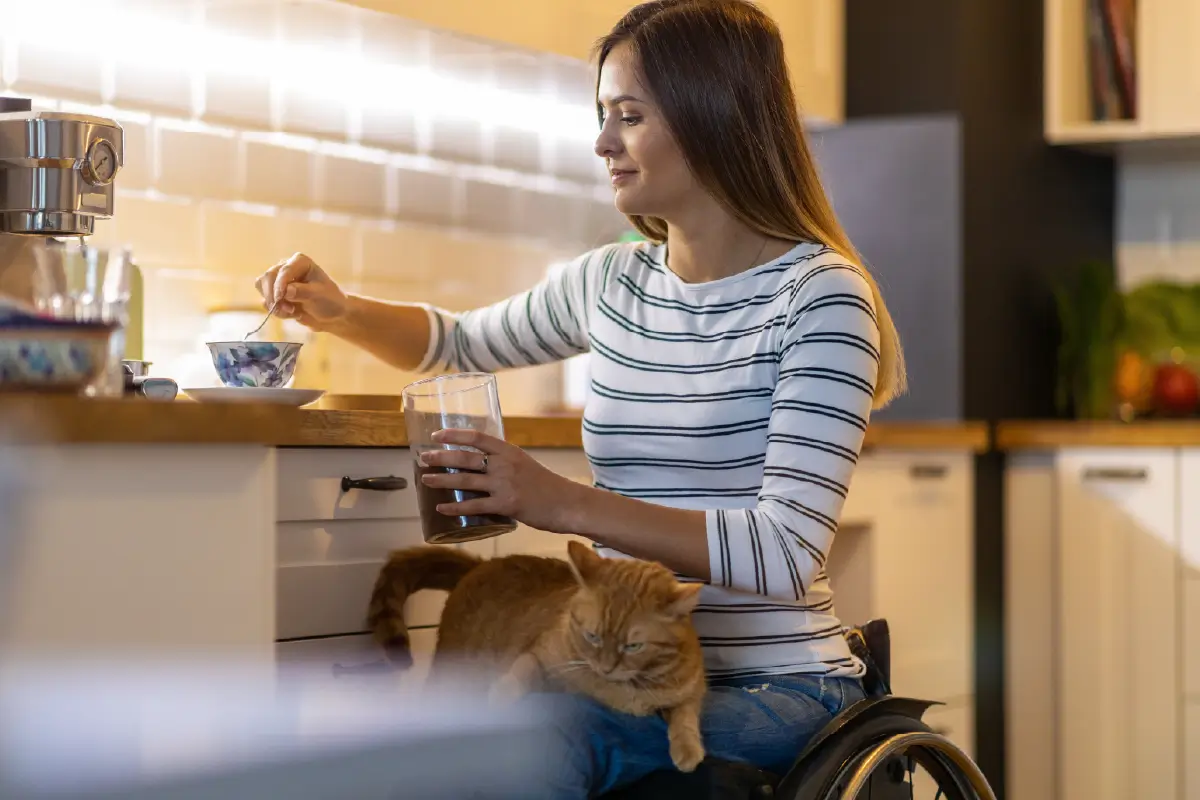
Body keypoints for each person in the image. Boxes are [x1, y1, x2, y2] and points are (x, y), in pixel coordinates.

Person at [255, 0, 907, 795]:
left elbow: (782, 552)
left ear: (715, 117)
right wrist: (342, 309)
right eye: (603, 117)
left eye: (627, 117)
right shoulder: (612, 281)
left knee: (547, 732)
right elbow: (457, 344)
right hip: (616, 670)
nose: (602, 143)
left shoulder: (821, 296)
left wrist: (560, 503)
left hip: (776, 687)